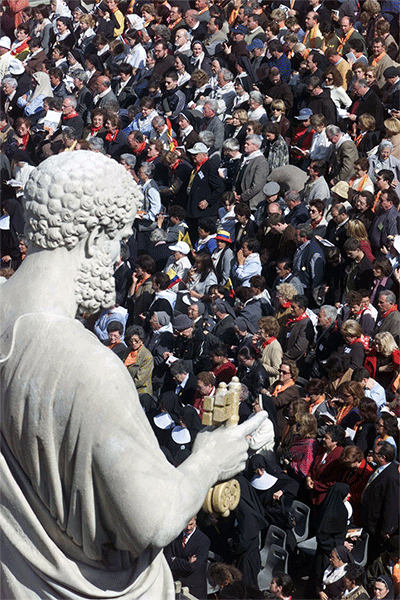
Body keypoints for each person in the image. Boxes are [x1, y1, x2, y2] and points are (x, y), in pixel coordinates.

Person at [0, 152, 267, 599]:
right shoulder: (86, 366)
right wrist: (208, 461)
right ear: (89, 239)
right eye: (117, 241)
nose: (116, 257)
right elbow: (152, 521)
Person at [361, 441, 400, 561]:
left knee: (373, 555)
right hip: (369, 521)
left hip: (377, 526)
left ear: (383, 457)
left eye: (375, 453)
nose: (372, 454)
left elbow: (392, 504)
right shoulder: (379, 469)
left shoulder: (392, 477)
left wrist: (388, 528)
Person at [164, 516, 210, 600]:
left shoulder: (203, 540)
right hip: (175, 585)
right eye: (186, 525)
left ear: (195, 522)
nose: (188, 528)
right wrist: (187, 562)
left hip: (194, 589)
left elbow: (193, 566)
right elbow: (167, 561)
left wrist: (175, 560)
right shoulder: (174, 537)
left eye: (191, 524)